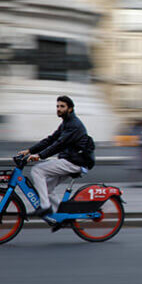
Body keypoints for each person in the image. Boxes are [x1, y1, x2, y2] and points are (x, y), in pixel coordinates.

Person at [17, 96, 94, 228]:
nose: (58, 109)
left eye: (62, 106)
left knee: (37, 170)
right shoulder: (66, 124)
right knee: (46, 188)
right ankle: (62, 216)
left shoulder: (74, 125)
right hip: (69, 161)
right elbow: (51, 140)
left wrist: (39, 156)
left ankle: (45, 207)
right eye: (57, 106)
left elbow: (59, 144)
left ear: (70, 109)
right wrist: (30, 150)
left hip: (74, 162)